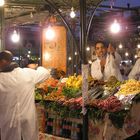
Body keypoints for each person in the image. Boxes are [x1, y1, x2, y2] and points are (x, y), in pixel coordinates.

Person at [0, 50, 51, 140]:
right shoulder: (27, 73)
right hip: (28, 124)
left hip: (9, 126)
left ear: (2, 62)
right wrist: (36, 67)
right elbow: (46, 73)